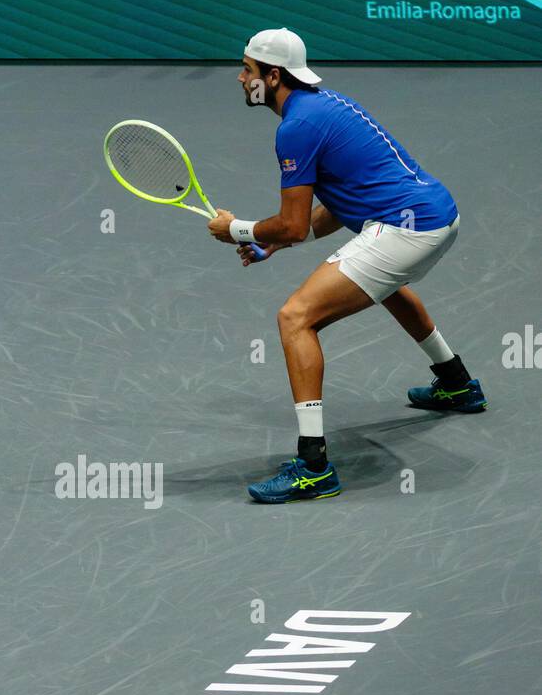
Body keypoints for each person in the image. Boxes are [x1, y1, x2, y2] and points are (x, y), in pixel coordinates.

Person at [208, 27, 485, 504]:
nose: (240, 78)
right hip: (437, 214)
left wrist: (239, 229)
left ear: (273, 76)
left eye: (247, 70)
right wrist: (274, 245)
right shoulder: (329, 105)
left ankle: (314, 467)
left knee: (296, 317)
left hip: (405, 229)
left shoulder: (295, 128)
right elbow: (340, 201)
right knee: (380, 283)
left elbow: (292, 226)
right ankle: (457, 382)